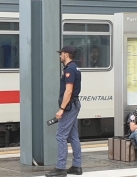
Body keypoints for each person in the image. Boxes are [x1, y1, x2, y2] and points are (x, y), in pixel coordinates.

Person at [45, 46, 82, 177]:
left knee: (60, 136)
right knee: (73, 137)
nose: (60, 56)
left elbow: (69, 90)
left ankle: (60, 169)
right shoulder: (74, 67)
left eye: (61, 54)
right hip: (73, 105)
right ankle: (77, 166)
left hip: (69, 106)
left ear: (66, 55)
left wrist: (61, 109)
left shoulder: (70, 69)